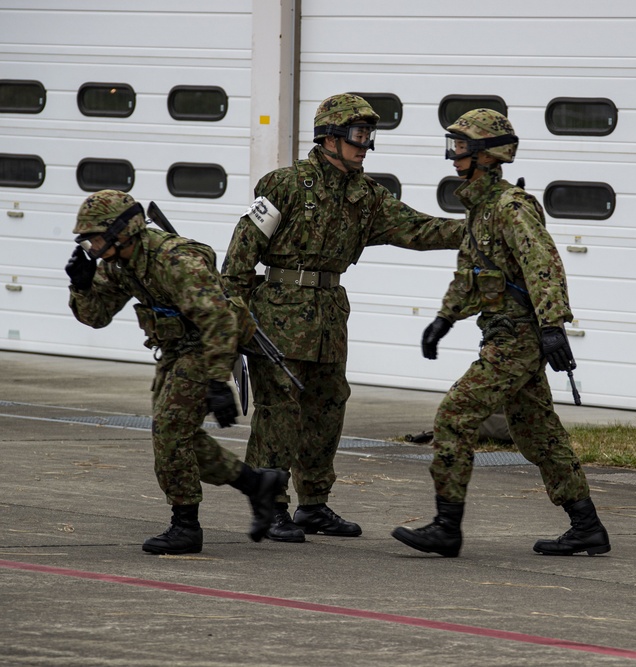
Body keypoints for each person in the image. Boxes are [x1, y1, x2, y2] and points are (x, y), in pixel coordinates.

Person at [222, 93, 464, 543]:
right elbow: (239, 257)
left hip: (329, 318)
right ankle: (272, 507)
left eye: (369, 136)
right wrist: (235, 322)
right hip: (277, 317)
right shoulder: (284, 186)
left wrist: (481, 227)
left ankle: (313, 504)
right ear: (328, 137)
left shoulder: (366, 196)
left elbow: (419, 229)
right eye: (357, 135)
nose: (365, 145)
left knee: (327, 409)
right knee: (279, 413)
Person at [390, 108, 610, 558]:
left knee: (455, 415)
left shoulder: (511, 207)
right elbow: (471, 276)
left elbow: (543, 264)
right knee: (537, 433)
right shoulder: (479, 209)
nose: (453, 156)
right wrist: (444, 319)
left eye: (461, 147)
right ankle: (587, 526)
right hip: (504, 334)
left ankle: (446, 527)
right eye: (452, 146)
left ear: (488, 154)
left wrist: (552, 326)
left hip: (518, 338)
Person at [64, 189, 287, 555]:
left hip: (207, 345)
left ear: (124, 230)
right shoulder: (120, 263)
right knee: (179, 436)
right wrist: (81, 286)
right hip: (175, 350)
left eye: (97, 238)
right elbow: (96, 317)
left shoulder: (174, 260)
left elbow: (218, 320)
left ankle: (186, 525)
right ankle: (257, 484)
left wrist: (218, 380)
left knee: (169, 431)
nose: (93, 247)